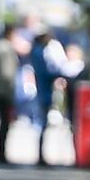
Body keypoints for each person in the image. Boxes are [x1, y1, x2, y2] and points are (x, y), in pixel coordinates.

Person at [29, 29, 66, 166]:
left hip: (43, 90)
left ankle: (41, 154)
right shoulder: (38, 52)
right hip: (43, 91)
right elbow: (44, 72)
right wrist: (58, 74)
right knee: (42, 124)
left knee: (43, 124)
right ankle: (40, 155)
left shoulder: (37, 51)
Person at [0, 24, 21, 165]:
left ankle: (1, 152)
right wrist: (11, 90)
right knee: (5, 123)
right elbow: (7, 73)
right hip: (4, 91)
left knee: (3, 122)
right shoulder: (6, 49)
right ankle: (2, 154)